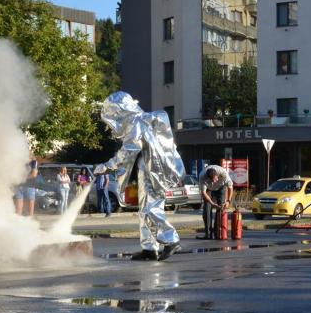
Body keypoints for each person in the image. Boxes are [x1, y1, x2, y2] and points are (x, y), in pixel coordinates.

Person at [95, 91, 185, 261]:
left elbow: (129, 149)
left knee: (151, 208)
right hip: (148, 169)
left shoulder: (136, 121)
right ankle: (149, 248)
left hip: (152, 171)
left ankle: (171, 239)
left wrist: (107, 166)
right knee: (145, 211)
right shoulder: (141, 119)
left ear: (119, 110)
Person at [199, 164, 234, 239]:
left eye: (215, 179)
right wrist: (212, 203)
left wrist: (228, 201)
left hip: (221, 188)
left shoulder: (223, 174)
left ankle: (217, 232)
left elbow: (230, 187)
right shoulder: (202, 177)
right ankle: (208, 234)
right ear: (208, 178)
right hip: (208, 190)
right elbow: (204, 193)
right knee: (207, 210)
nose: (214, 182)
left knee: (221, 208)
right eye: (212, 181)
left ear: (217, 175)